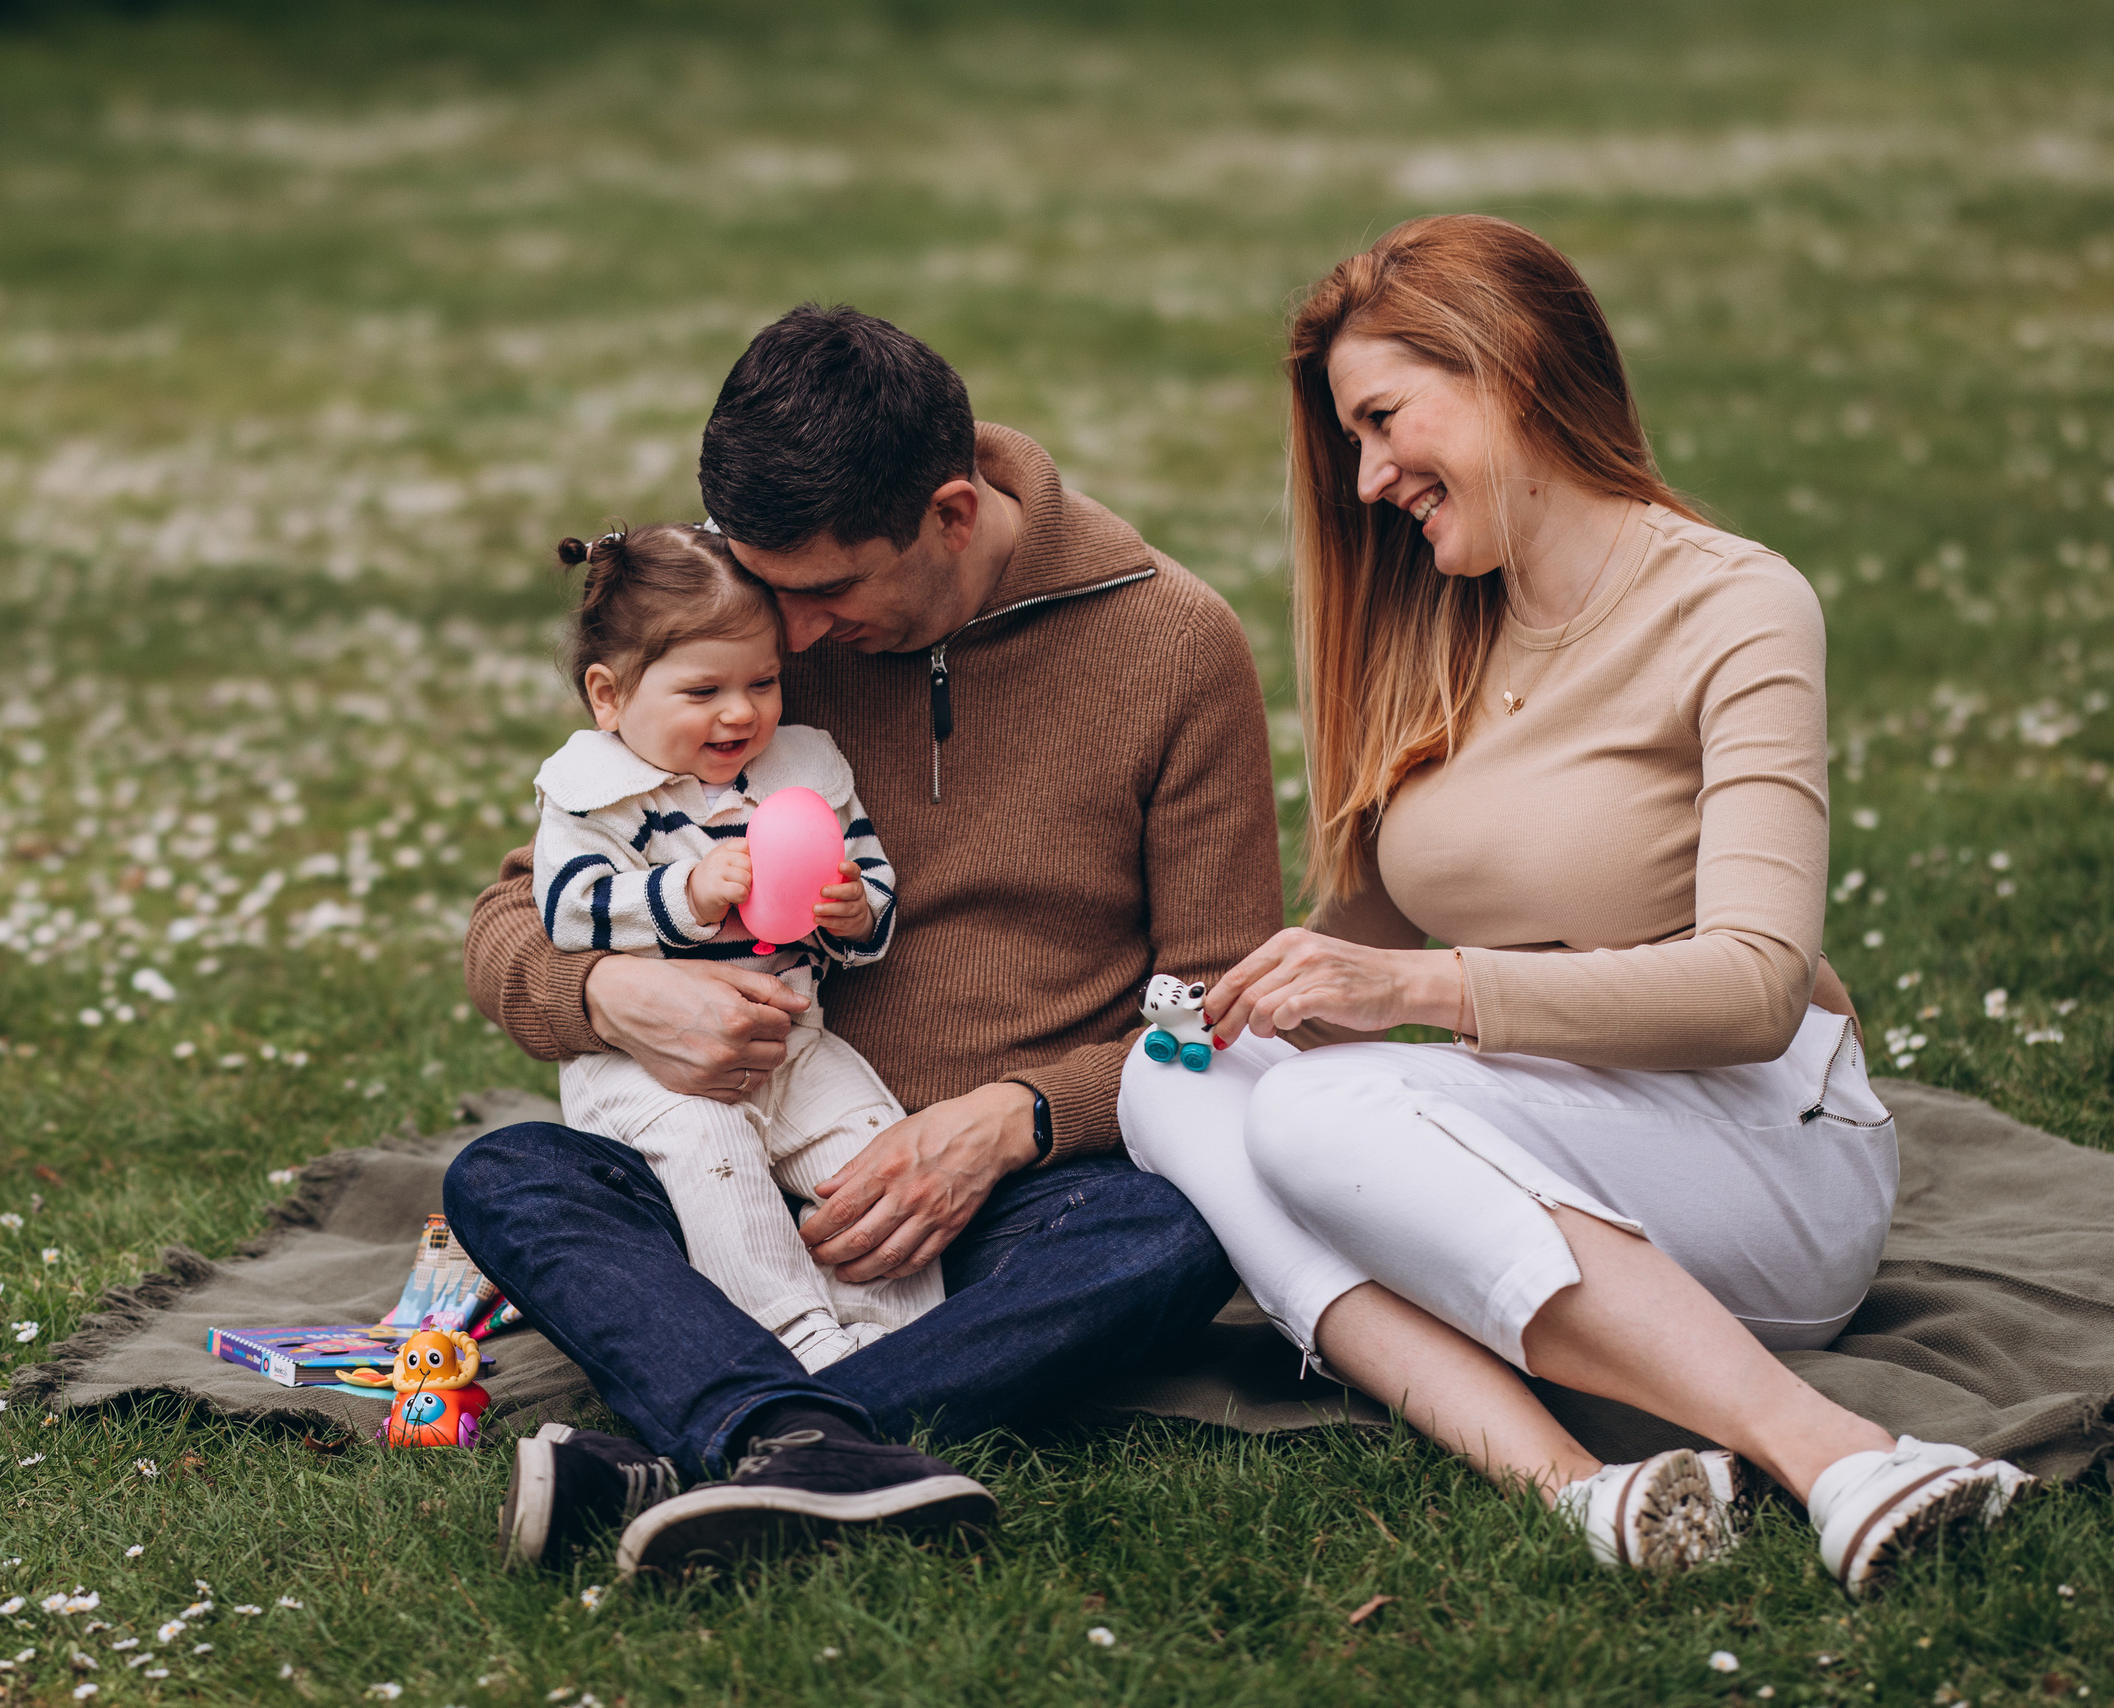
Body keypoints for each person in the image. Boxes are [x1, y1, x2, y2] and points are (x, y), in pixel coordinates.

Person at [1119, 215, 2032, 1595]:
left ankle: (1838, 1453)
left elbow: (1754, 986)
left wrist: (1419, 996)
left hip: (1762, 1140)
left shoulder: (1735, 605)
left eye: (1382, 420)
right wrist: (1236, 1009)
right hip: (1553, 1121)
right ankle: (1587, 1492)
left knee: (1322, 1113)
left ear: (1507, 365)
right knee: (1174, 1081)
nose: (1368, 481)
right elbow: (1354, 959)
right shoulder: (1426, 627)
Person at [446, 304, 1281, 1578]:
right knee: (510, 1177)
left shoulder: (1172, 645)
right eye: (772, 592)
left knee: (1168, 1239)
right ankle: (827, 1446)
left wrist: (1017, 1116)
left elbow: (1218, 1004)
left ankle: (722, 1446)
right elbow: (516, 917)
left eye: (829, 592)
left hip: (1005, 1194)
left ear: (951, 513)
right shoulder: (746, 640)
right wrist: (617, 996)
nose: (796, 639)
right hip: (728, 1136)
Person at [528, 521, 939, 1375]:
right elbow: (570, 910)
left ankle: (895, 1335)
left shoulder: (801, 771)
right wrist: (685, 894)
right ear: (609, 696)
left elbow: (871, 878)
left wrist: (854, 913)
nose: (742, 710)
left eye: (764, 681)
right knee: (718, 1169)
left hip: (794, 1039)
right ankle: (797, 1339)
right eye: (704, 690)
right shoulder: (594, 796)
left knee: (871, 1144)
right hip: (649, 1066)